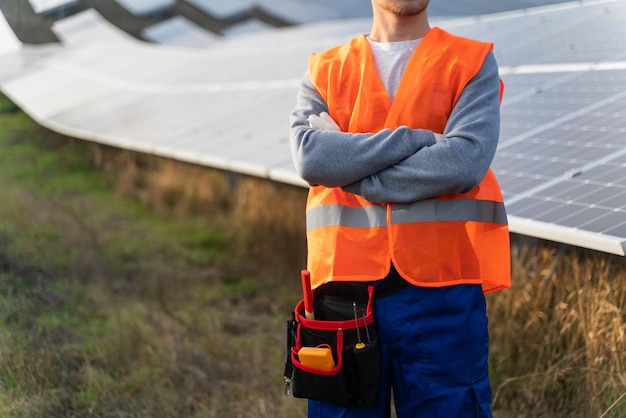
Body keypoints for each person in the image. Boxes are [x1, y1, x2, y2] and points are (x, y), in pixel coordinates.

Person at [289, 0, 511, 417]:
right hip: (341, 294)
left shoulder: (472, 61)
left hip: (443, 292)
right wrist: (419, 140)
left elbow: (463, 163)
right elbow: (313, 160)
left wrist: (350, 170)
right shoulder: (326, 68)